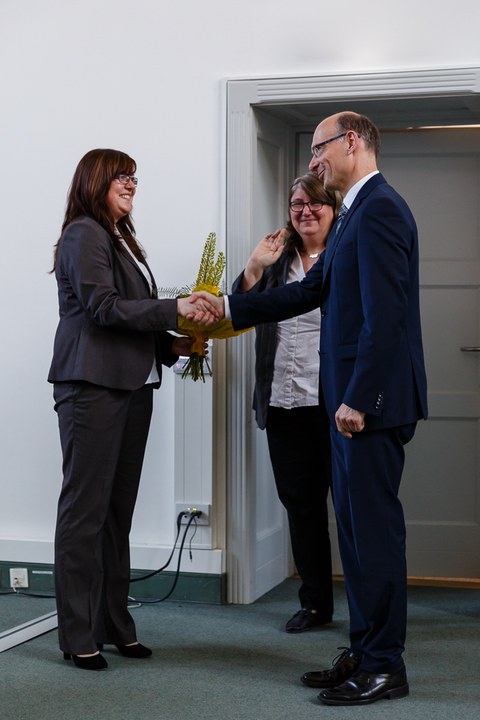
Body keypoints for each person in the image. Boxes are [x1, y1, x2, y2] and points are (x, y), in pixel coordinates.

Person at [187, 112, 428, 706]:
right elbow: (313, 291)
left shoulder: (382, 209)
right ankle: (364, 650)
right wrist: (228, 309)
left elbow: (387, 317)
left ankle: (385, 667)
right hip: (347, 406)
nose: (314, 162)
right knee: (353, 537)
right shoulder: (353, 213)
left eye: (319, 150)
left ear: (352, 142)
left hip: (365, 407)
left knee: (373, 539)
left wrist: (358, 399)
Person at [48, 148, 198, 671]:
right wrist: (176, 307)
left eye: (135, 178)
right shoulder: (83, 232)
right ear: (96, 180)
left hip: (133, 387)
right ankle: (76, 634)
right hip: (91, 387)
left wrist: (175, 345)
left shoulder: (121, 238)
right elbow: (102, 308)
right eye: (122, 176)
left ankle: (115, 625)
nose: (132, 185)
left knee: (116, 515)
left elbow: (128, 318)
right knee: (85, 513)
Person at [231, 174, 339, 633]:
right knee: (301, 504)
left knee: (352, 508)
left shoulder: (343, 255)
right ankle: (315, 603)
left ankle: (372, 608)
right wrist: (255, 267)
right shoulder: (278, 260)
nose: (305, 211)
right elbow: (239, 309)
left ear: (333, 209)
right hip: (283, 402)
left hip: (335, 404)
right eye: (297, 203)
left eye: (315, 203)